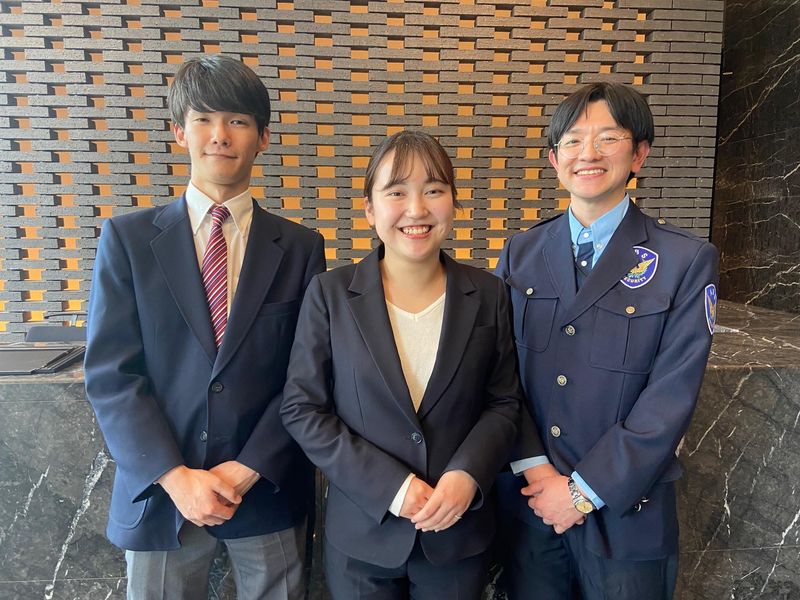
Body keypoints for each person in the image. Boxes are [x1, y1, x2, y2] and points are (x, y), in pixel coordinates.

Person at [84, 55, 326, 600]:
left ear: (263, 138)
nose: (220, 135)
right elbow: (112, 375)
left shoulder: (301, 248)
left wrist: (248, 467)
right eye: (204, 119)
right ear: (179, 132)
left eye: (237, 120)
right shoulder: (127, 240)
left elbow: (307, 375)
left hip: (265, 488)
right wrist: (174, 476)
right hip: (161, 492)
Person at [281, 131, 538, 599]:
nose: (416, 209)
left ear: (453, 203)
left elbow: (503, 403)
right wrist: (393, 487)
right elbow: (303, 409)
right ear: (370, 209)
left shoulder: (489, 293)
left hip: (457, 532)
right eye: (396, 192)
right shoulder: (330, 294)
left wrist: (468, 475)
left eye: (433, 190)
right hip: (363, 535)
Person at [494, 82, 719, 599]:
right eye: (573, 140)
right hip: (533, 508)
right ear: (555, 159)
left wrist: (581, 492)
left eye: (608, 138)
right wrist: (536, 470)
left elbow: (671, 395)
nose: (588, 153)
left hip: (627, 512)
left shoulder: (684, 259)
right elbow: (500, 373)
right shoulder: (521, 252)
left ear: (639, 154)